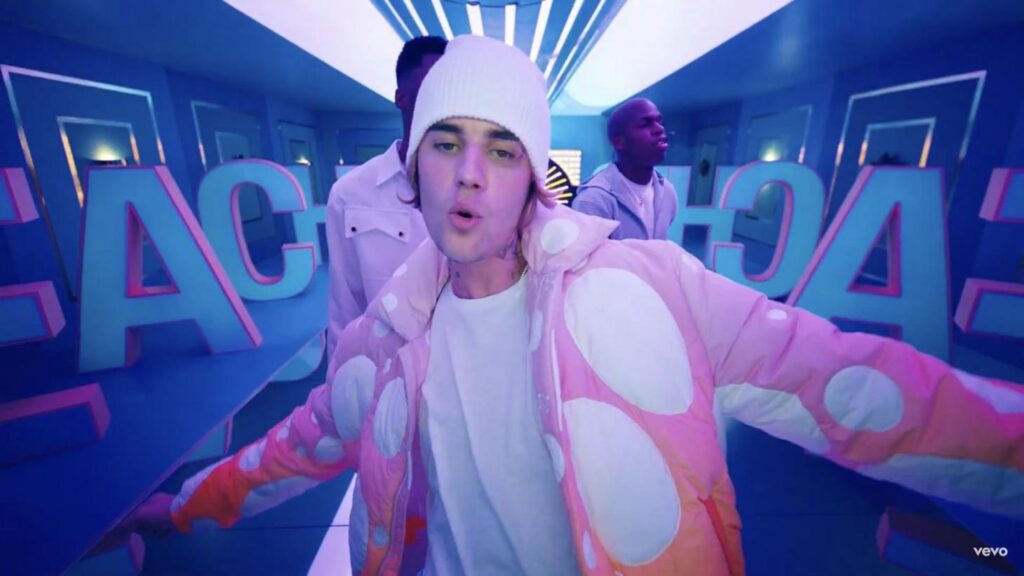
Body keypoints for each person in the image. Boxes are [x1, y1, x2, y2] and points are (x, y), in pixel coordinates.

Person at [124, 35, 1022, 575]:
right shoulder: (382, 342)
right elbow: (295, 447)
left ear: (532, 175)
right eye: (445, 143)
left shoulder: (655, 288)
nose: (469, 175)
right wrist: (183, 506)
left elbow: (856, 384)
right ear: (414, 164)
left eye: (501, 149)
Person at [326, 35, 447, 358]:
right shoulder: (351, 193)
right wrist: (340, 378)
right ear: (401, 97)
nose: (442, 100)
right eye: (430, 87)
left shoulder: (477, 189)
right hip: (383, 366)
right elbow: (344, 305)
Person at [572, 98, 678, 240]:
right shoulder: (593, 200)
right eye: (645, 124)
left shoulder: (667, 192)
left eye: (659, 122)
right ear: (619, 142)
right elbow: (586, 253)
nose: (659, 129)